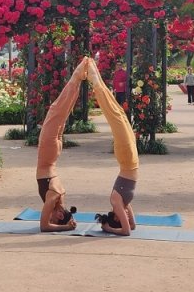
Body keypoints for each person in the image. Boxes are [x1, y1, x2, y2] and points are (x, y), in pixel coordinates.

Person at [36, 58, 88, 232]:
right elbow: (44, 226)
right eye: (54, 218)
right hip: (49, 156)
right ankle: (76, 77)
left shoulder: (60, 198)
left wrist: (68, 221)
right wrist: (65, 227)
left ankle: (79, 79)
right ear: (58, 215)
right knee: (57, 110)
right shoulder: (53, 197)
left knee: (62, 112)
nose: (49, 215)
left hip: (53, 155)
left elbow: (50, 220)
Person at [87, 59, 138, 236]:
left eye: (121, 217)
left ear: (115, 218)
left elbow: (126, 231)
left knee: (114, 115)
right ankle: (97, 79)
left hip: (126, 158)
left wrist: (106, 228)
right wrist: (122, 218)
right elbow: (132, 226)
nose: (126, 215)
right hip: (131, 159)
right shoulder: (123, 205)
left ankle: (95, 80)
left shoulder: (116, 202)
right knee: (119, 113)